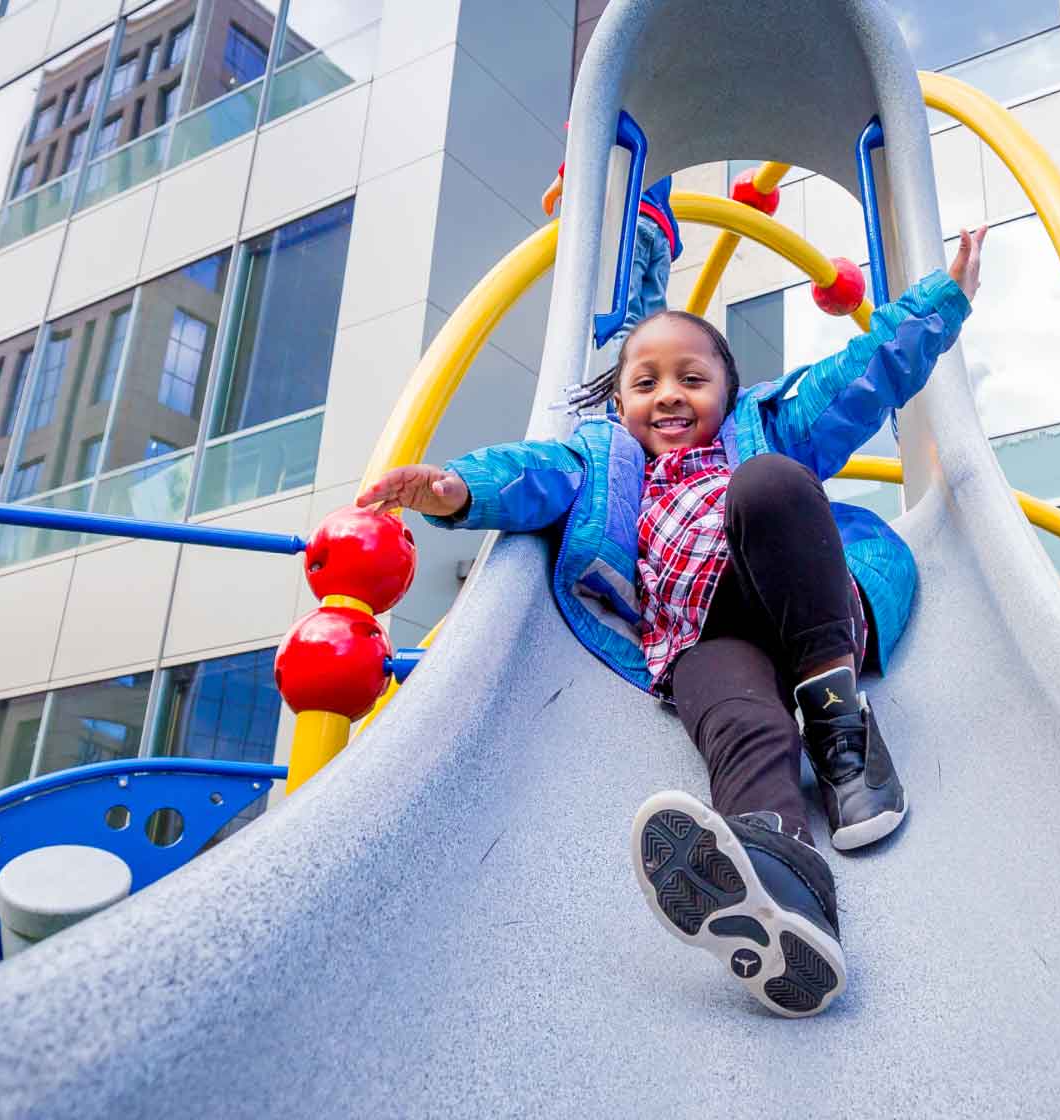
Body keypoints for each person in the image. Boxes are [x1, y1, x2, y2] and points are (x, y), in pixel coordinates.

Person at [358, 228, 988, 1018]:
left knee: (771, 486)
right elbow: (529, 475)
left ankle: (843, 739)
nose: (668, 396)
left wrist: (943, 300)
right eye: (646, 382)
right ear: (618, 402)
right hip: (700, 633)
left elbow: (859, 380)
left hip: (804, 604)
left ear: (728, 391)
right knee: (735, 720)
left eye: (692, 378)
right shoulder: (601, 466)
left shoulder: (764, 434)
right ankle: (784, 879)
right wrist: (456, 489)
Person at [542, 156, 680, 344]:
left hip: (629, 224)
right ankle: (657, 369)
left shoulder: (625, 134)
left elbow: (592, 141)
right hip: (661, 235)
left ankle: (622, 372)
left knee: (623, 317)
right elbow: (675, 239)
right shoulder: (658, 154)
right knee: (654, 323)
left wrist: (561, 178)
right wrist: (672, 246)